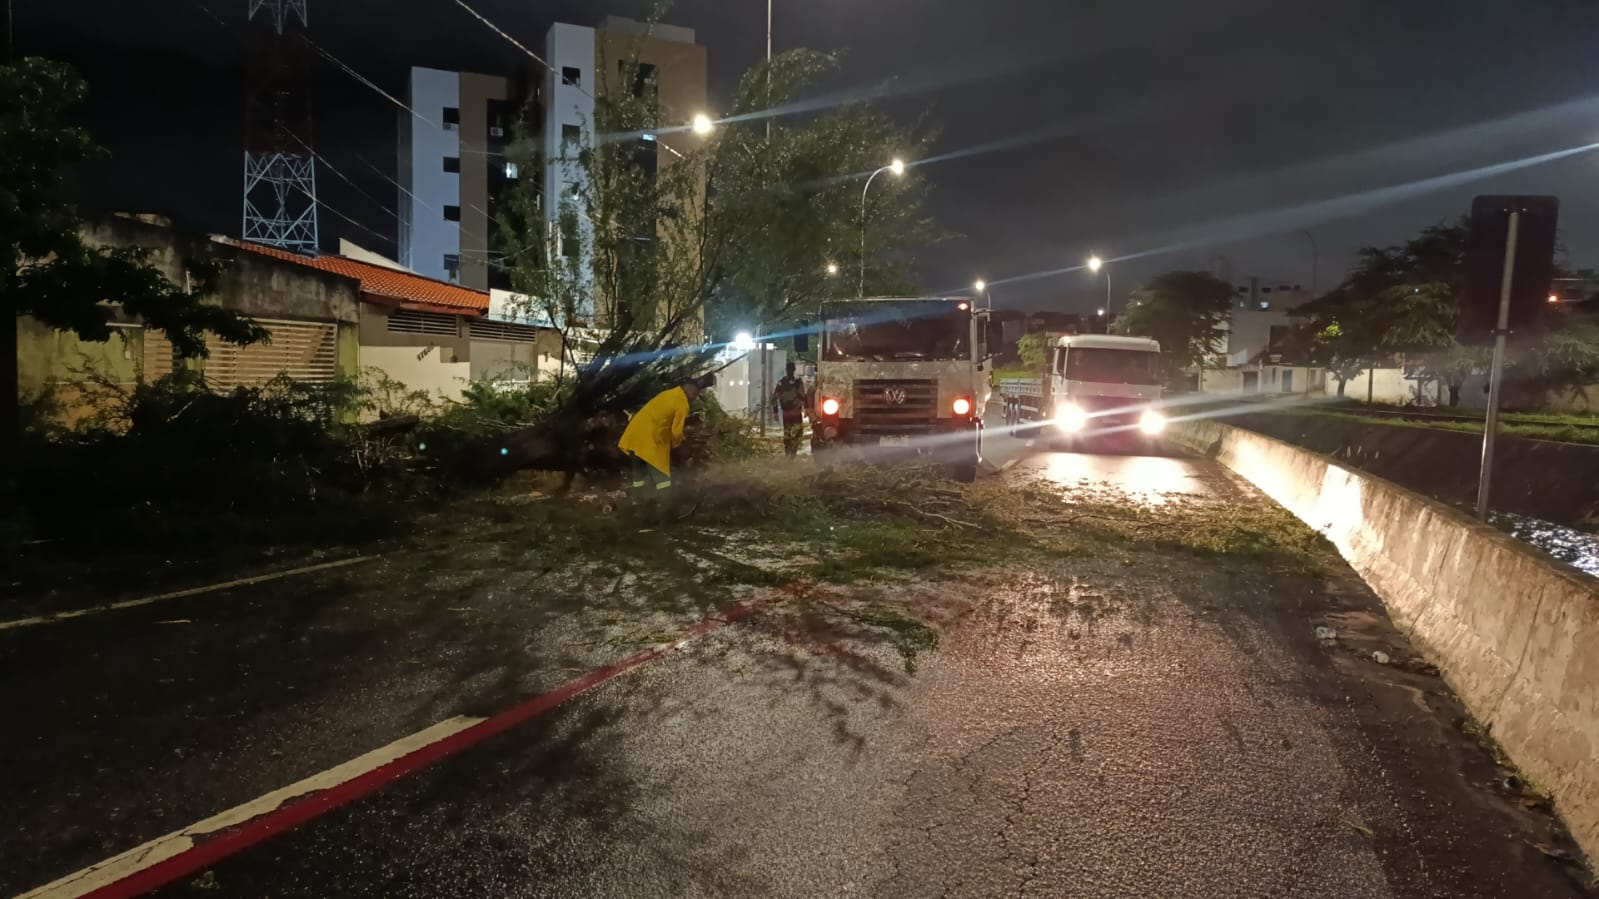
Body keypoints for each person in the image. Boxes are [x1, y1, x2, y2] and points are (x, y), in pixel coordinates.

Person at [618, 375, 711, 492]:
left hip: (634, 435)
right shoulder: (682, 404)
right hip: (651, 440)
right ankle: (664, 501)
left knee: (639, 476)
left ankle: (637, 498)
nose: (696, 397)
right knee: (663, 480)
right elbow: (676, 432)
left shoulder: (667, 394)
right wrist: (678, 447)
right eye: (697, 393)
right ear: (691, 390)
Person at [772, 362, 807, 457]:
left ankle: (788, 453)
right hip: (795, 412)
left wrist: (775, 412)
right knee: (797, 433)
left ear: (786, 370)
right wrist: (806, 408)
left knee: (787, 433)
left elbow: (774, 397)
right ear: (794, 370)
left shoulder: (781, 382)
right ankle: (792, 453)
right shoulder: (798, 381)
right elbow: (803, 396)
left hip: (786, 413)